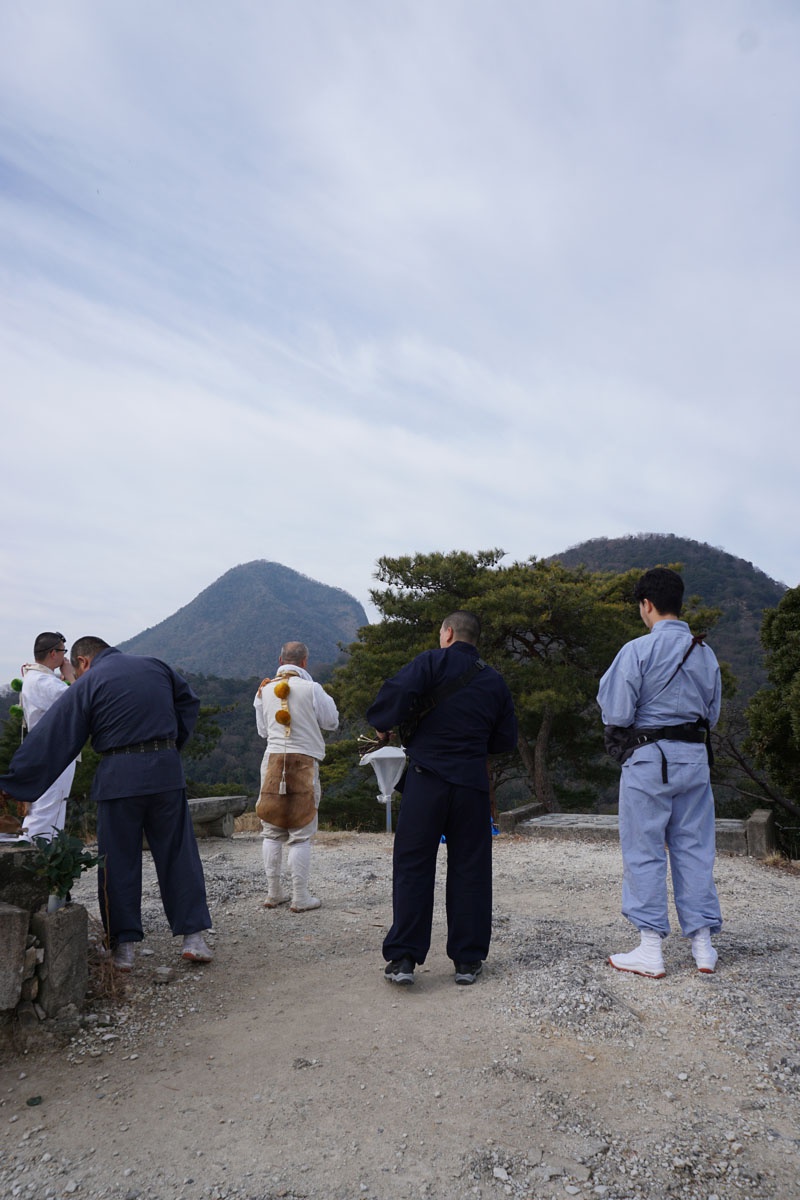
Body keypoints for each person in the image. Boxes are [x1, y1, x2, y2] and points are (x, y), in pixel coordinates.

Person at [0, 637, 213, 971]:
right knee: (178, 854)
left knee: (118, 861)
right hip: (166, 773)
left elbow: (55, 733)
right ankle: (194, 938)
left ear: (83, 661)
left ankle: (124, 948)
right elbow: (188, 702)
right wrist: (171, 747)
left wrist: (15, 782)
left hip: (119, 777)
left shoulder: (92, 681)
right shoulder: (156, 664)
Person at [367, 611, 517, 986]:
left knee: (413, 866)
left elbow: (395, 696)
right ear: (474, 638)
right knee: (471, 869)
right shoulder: (494, 680)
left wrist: (385, 723)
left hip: (425, 780)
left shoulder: (429, 663)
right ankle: (467, 961)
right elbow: (504, 740)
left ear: (448, 633)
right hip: (471, 785)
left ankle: (403, 959)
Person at [597, 568, 722, 978]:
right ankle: (703, 946)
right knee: (694, 847)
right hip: (694, 760)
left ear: (646, 604)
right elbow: (713, 714)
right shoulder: (705, 653)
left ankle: (651, 947)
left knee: (644, 848)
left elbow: (616, 711)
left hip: (649, 760)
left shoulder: (637, 650)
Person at [253, 641, 339, 912]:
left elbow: (263, 731)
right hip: (304, 761)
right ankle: (300, 897)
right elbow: (332, 722)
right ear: (304, 662)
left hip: (273, 760)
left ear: (280, 660)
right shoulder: (313, 689)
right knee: (300, 834)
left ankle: (273, 893)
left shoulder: (264, 690)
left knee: (272, 830)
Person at [19, 632, 77, 842]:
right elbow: (77, 702)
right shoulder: (44, 682)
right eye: (63, 652)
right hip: (54, 751)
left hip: (45, 750)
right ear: (54, 653)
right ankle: (36, 854)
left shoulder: (36, 678)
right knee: (48, 808)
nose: (65, 658)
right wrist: (71, 677)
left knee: (50, 806)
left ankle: (43, 854)